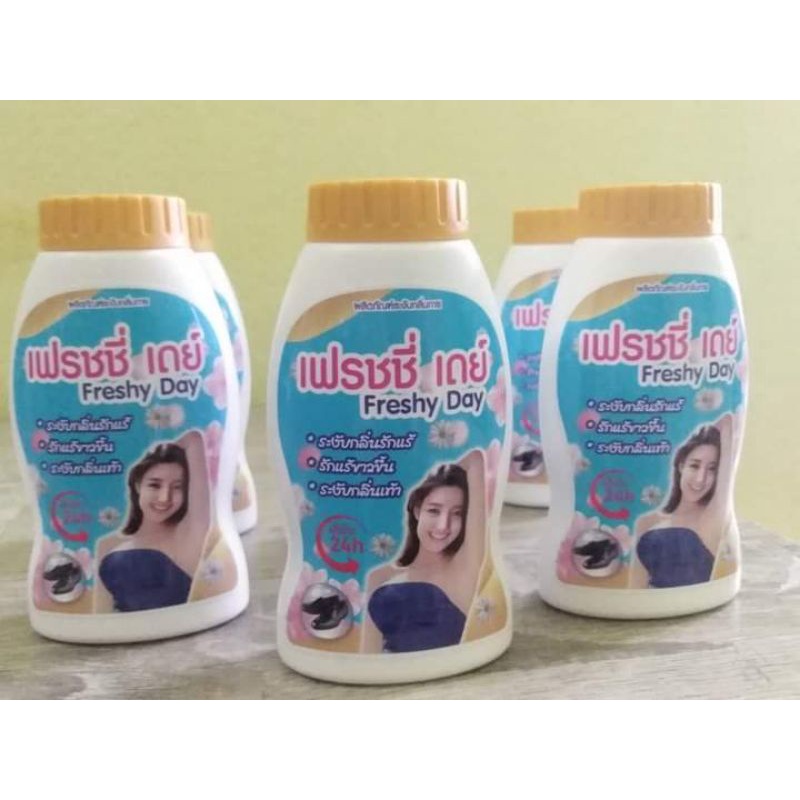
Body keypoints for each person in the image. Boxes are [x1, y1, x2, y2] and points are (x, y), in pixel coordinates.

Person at [363, 449, 486, 653]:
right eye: (434, 510)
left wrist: (436, 468)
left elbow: (476, 461)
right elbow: (368, 656)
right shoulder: (379, 577)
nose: (443, 525)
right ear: (417, 510)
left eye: (457, 513)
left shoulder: (465, 567)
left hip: (452, 670)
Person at [95, 431, 211, 612]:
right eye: (155, 485)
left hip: (181, 628)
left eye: (178, 487)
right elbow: (101, 615)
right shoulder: (106, 544)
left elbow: (194, 440)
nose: (165, 497)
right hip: (122, 630)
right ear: (137, 485)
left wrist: (163, 437)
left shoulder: (189, 534)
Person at [631, 413, 736, 588]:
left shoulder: (713, 516)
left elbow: (728, 423)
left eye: (712, 469)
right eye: (694, 466)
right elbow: (635, 587)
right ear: (681, 466)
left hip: (700, 602)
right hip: (647, 602)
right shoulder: (646, 521)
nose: (700, 479)